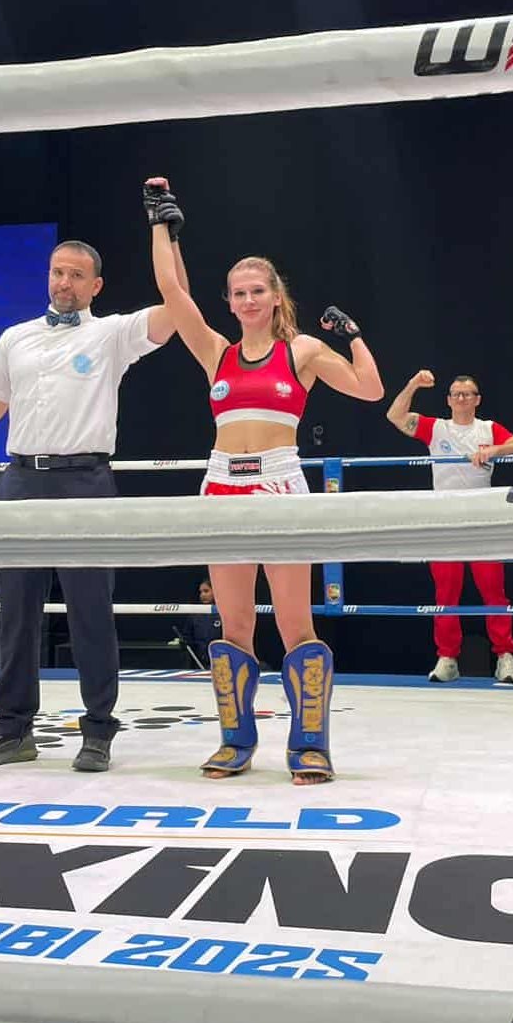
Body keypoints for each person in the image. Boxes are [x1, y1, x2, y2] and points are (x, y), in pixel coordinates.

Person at [0, 239, 177, 773]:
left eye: (76, 275)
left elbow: (176, 309)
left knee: (91, 610)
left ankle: (98, 730)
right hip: (20, 479)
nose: (63, 283)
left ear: (96, 285)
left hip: (86, 480)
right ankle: (12, 730)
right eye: (57, 272)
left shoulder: (112, 334)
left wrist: (163, 234)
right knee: (16, 612)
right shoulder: (14, 337)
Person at [146, 176, 385, 784]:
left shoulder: (301, 351)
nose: (248, 300)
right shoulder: (216, 352)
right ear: (229, 302)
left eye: (258, 290)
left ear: (276, 297)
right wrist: (161, 223)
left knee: (295, 624)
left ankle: (309, 745)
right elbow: (172, 291)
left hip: (280, 485)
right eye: (238, 293)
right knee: (233, 627)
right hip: (221, 485)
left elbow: (371, 390)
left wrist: (354, 336)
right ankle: (236, 741)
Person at [386, 369, 513, 683]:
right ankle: (447, 657)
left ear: (477, 400)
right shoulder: (437, 428)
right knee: (446, 593)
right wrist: (413, 384)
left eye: (467, 394)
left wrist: (495, 449)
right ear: (448, 400)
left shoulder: (488, 428)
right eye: (456, 394)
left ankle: (505, 656)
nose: (461, 398)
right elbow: (394, 415)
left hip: (482, 519)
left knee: (494, 591)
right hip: (445, 520)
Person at [171, 577, 222, 666]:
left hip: (220, 662)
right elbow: (187, 636)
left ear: (215, 591)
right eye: (200, 592)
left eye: (206, 591)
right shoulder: (194, 614)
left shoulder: (223, 613)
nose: (202, 595)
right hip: (199, 663)